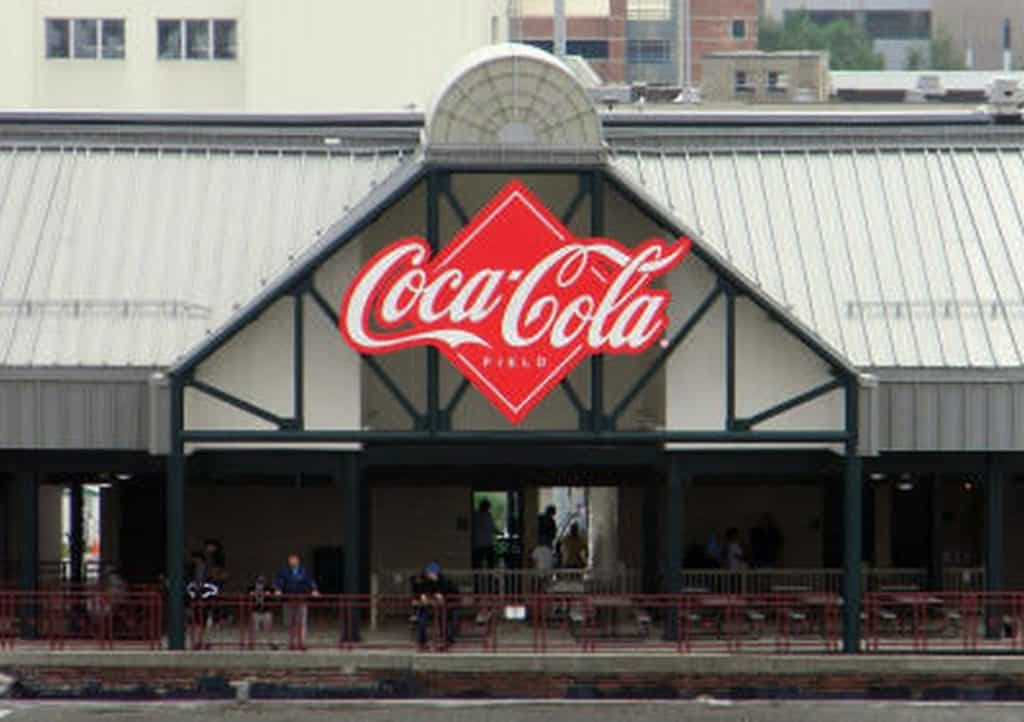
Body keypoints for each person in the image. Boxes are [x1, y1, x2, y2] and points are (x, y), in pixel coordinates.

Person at [274, 553, 319, 648]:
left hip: (301, 600)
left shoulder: (304, 571)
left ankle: (301, 643)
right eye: (291, 560)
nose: (292, 561)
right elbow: (279, 582)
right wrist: (278, 590)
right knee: (291, 623)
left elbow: (310, 582)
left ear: (298, 561)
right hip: (288, 600)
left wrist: (314, 590)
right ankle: (292, 643)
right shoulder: (284, 572)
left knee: (302, 623)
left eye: (294, 559)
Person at [413, 562, 459, 648]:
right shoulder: (424, 580)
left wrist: (441, 595)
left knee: (447, 620)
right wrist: (421, 595)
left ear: (436, 573)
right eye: (428, 573)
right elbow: (419, 589)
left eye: (431, 573)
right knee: (422, 619)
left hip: (448, 605)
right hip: (429, 604)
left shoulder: (445, 580)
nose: (429, 575)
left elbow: (451, 592)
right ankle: (422, 640)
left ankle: (448, 639)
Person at [471, 499, 497, 570]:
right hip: (480, 544)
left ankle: (489, 578)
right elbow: (491, 528)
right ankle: (480, 579)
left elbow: (492, 528)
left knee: (489, 563)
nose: (487, 509)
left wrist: (496, 531)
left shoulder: (477, 515)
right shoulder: (477, 515)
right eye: (486, 507)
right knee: (479, 563)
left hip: (485, 543)